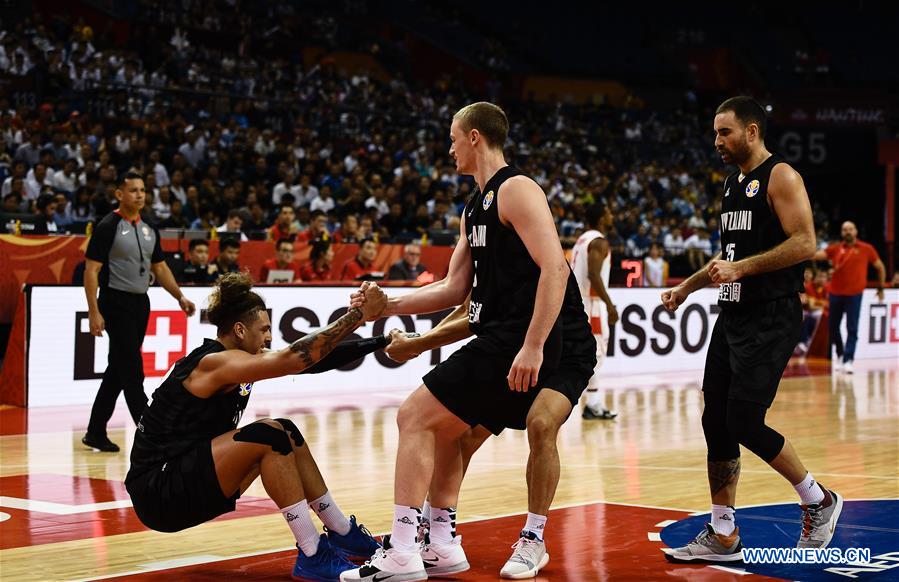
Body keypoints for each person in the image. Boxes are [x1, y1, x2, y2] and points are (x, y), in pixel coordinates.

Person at [341, 102, 595, 582]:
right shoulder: (473, 206)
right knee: (450, 431)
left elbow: (555, 270)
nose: (449, 147)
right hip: (508, 334)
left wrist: (534, 345)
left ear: (474, 137)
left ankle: (405, 551)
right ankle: (439, 542)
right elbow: (454, 290)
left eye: (453, 137)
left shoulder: (516, 190)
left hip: (533, 338)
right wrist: (388, 306)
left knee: (416, 415)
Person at [660, 96, 842, 563]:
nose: (717, 141)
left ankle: (818, 500)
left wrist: (743, 270)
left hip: (772, 314)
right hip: (733, 314)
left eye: (725, 132)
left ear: (752, 131)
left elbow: (806, 242)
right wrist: (687, 288)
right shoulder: (731, 184)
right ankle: (723, 535)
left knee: (742, 420)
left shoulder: (780, 176)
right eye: (715, 133)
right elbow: (729, 259)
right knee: (714, 421)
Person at [125, 273, 387, 580]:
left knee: (285, 430)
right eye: (263, 330)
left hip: (186, 476)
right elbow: (295, 358)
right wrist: (357, 315)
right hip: (159, 490)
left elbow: (311, 361)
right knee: (269, 435)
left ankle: (342, 531)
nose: (268, 338)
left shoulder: (237, 360)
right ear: (239, 330)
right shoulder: (213, 363)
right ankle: (313, 553)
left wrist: (381, 341)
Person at [83, 171, 197, 452]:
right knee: (133, 370)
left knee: (117, 370)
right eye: (133, 189)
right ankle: (152, 433)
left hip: (140, 303)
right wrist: (93, 310)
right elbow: (91, 270)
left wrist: (179, 296)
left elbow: (160, 268)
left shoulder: (149, 230)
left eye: (143, 190)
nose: (140, 194)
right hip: (115, 301)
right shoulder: (107, 226)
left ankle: (95, 431)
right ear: (119, 194)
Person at [813, 221, 886, 374]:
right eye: (845, 229)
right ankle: (840, 354)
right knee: (833, 328)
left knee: (852, 328)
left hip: (854, 295)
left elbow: (880, 267)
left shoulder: (866, 249)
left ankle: (848, 360)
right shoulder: (835, 249)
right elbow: (816, 255)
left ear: (856, 231)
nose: (848, 232)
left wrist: (880, 287)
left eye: (850, 229)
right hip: (835, 294)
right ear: (841, 233)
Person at [571, 204, 619, 420]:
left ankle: (594, 402)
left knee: (590, 354)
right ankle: (591, 403)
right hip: (591, 305)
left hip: (578, 302)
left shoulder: (581, 240)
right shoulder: (599, 241)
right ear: (601, 218)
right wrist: (609, 305)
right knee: (595, 353)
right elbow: (593, 274)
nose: (612, 216)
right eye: (608, 213)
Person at [796, 268, 829, 356]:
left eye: (824, 277)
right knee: (814, 314)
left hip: (816, 313)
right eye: (820, 276)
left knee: (823, 315)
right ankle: (804, 342)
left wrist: (817, 303)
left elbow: (828, 305)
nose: (821, 279)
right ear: (815, 277)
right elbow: (811, 306)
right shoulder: (808, 287)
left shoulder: (827, 288)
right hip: (807, 312)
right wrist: (822, 304)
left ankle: (812, 342)